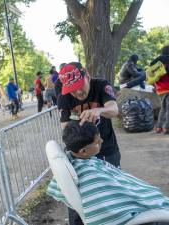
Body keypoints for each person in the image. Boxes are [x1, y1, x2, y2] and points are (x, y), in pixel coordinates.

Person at [47, 121, 169, 225]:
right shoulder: (90, 176)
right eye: (97, 142)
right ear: (83, 151)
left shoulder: (76, 159)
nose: (102, 140)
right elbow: (109, 210)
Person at [58, 62, 121, 225]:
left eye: (80, 86)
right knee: (79, 196)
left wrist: (98, 110)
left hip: (107, 148)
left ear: (87, 75)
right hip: (81, 154)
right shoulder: (64, 97)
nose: (78, 92)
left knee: (112, 189)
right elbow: (66, 128)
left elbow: (114, 109)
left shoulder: (101, 86)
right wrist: (78, 129)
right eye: (72, 89)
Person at [150, 45, 169, 134]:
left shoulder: (156, 61)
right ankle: (167, 128)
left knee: (163, 108)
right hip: (167, 88)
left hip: (160, 89)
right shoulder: (167, 60)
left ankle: (159, 127)